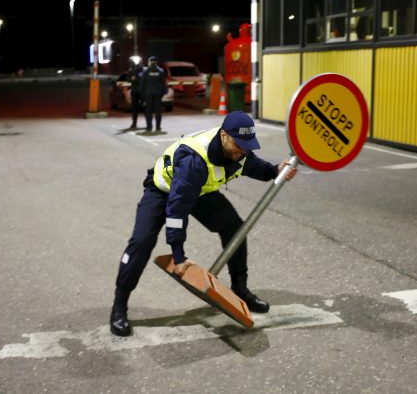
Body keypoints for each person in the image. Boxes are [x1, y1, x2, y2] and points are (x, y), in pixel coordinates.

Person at [110, 111, 298, 337]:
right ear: (223, 136)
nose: (243, 151)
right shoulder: (194, 160)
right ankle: (119, 305)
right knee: (141, 242)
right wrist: (178, 256)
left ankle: (240, 289)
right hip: (163, 191)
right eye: (239, 144)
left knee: (235, 228)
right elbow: (177, 210)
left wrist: (277, 169)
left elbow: (255, 166)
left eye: (247, 146)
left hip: (200, 192)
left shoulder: (240, 152)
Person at [139, 56, 167, 133]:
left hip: (148, 94)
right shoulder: (160, 71)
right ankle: (158, 127)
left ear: (149, 62)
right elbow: (163, 83)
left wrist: (142, 95)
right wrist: (163, 93)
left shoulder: (146, 71)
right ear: (156, 62)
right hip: (158, 94)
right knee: (158, 111)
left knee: (148, 111)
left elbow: (142, 84)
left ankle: (149, 127)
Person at [127, 57, 144, 130]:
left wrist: (135, 78)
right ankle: (134, 123)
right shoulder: (131, 69)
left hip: (141, 91)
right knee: (134, 108)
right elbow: (128, 79)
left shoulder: (142, 69)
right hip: (135, 91)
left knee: (145, 107)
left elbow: (144, 79)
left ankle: (148, 124)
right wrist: (131, 78)